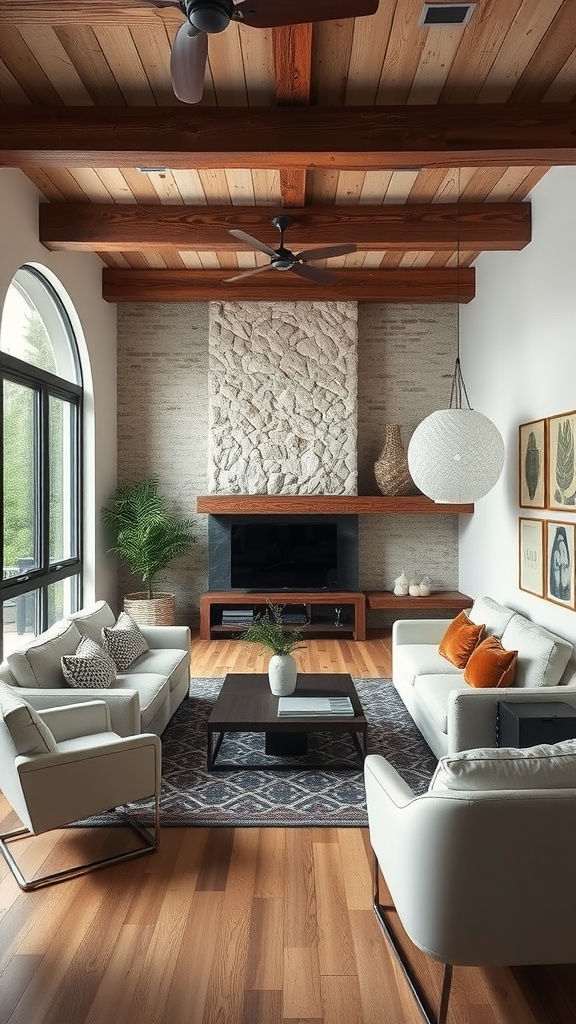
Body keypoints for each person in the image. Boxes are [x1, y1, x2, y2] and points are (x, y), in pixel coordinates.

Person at [549, 525, 571, 602]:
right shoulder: (558, 544)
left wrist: (563, 565)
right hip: (558, 569)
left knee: (562, 583)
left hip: (562, 569)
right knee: (557, 583)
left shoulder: (561, 544)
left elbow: (565, 560)